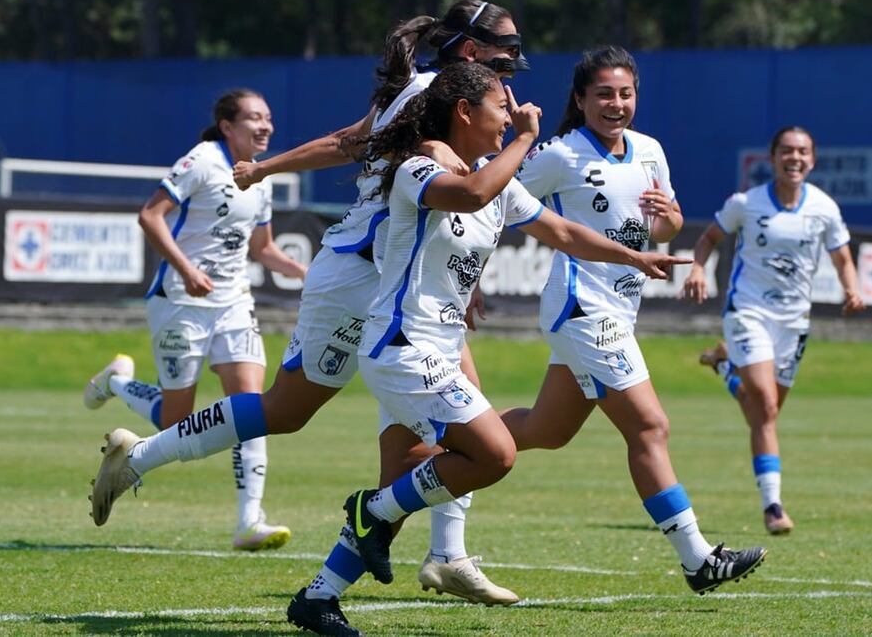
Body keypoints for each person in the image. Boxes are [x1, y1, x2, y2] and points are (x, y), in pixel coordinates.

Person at [88, 0, 532, 614]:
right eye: (503, 47)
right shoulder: (436, 97)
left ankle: (400, 565)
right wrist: (266, 169)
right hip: (362, 274)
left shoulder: (437, 95)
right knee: (387, 421)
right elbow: (393, 163)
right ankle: (436, 551)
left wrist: (265, 167)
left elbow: (354, 144)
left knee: (357, 429)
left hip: (381, 277)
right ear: (468, 48)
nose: (513, 60)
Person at [298, 61, 697, 636]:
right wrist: (531, 139)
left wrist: (636, 257)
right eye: (501, 109)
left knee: (438, 464)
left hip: (435, 349)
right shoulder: (417, 169)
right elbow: (472, 193)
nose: (511, 117)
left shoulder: (492, 177)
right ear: (465, 113)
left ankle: (321, 592)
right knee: (496, 454)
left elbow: (562, 233)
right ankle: (375, 512)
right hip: (402, 346)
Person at [497, 45, 766, 595]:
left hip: (619, 309)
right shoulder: (561, 154)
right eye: (603, 94)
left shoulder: (649, 151)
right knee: (650, 426)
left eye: (624, 93)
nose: (615, 104)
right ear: (580, 99)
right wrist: (470, 279)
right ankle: (698, 559)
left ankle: (444, 451)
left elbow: (660, 228)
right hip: (581, 307)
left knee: (546, 431)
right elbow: (500, 200)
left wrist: (669, 224)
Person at [82, 89, 307, 551]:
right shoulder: (202, 161)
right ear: (227, 126)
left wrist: (308, 273)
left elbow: (261, 249)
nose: (265, 127)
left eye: (268, 118)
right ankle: (119, 382)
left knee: (250, 406)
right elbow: (150, 216)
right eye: (253, 119)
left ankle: (249, 521)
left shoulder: (263, 177)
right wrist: (187, 269)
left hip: (234, 303)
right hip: (180, 300)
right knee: (174, 418)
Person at [681, 126, 865, 535]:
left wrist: (852, 289)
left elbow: (842, 259)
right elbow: (709, 238)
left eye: (802, 152)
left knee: (763, 412)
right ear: (774, 158)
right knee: (763, 407)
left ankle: (724, 366)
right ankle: (773, 508)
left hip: (794, 323)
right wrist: (697, 268)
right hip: (748, 313)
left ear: (812, 160)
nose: (794, 158)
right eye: (786, 151)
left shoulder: (824, 208)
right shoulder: (746, 204)